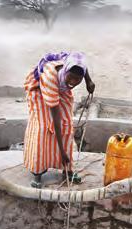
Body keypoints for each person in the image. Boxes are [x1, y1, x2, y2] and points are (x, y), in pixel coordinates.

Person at [23, 52, 95, 188]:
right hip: (38, 89)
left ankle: (67, 170)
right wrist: (61, 152)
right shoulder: (49, 77)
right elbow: (55, 118)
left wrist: (88, 81)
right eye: (71, 77)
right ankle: (38, 172)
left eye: (77, 79)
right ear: (65, 70)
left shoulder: (73, 66)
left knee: (67, 126)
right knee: (44, 127)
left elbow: (81, 68)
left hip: (60, 88)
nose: (73, 82)